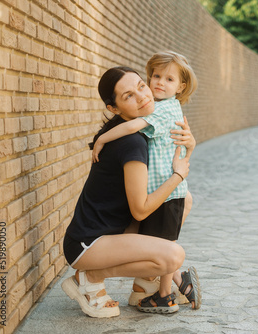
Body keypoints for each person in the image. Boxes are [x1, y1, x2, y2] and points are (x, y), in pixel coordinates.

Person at [61, 66, 200, 318]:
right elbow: (141, 209)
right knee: (173, 257)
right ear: (114, 109)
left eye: (141, 86)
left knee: (185, 199)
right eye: (128, 96)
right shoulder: (132, 143)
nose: (142, 96)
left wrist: (189, 142)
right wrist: (178, 175)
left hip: (115, 233)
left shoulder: (141, 131)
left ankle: (144, 286)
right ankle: (89, 277)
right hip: (88, 244)